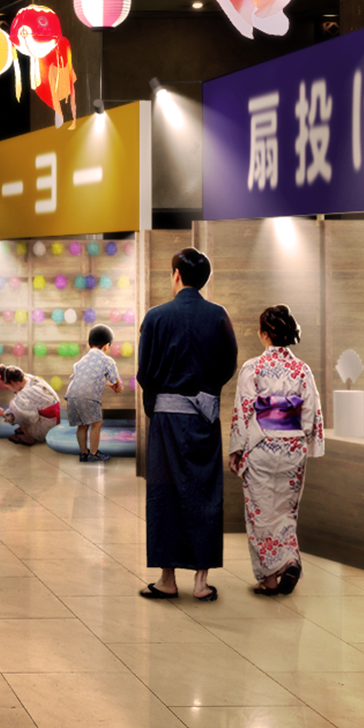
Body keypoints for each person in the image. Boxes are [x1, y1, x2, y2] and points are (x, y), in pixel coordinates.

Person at [137, 247, 238, 602]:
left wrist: (157, 406)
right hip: (203, 417)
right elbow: (228, 365)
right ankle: (201, 581)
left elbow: (145, 372)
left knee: (164, 492)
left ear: (176, 274)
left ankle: (167, 579)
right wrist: (206, 393)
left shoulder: (156, 316)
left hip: (166, 417)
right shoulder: (218, 316)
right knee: (204, 492)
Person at [229, 304, 323, 596]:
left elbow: (245, 411)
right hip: (292, 446)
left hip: (260, 445)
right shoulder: (302, 369)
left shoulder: (253, 367)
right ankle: (289, 560)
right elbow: (310, 412)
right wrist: (302, 438)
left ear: (265, 334)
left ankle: (270, 578)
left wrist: (236, 450)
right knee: (285, 510)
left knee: (260, 513)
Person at [66, 323, 125, 462]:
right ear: (106, 346)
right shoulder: (107, 360)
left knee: (82, 425)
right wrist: (117, 385)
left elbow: (88, 378)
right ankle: (93, 453)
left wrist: (108, 385)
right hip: (88, 397)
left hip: (72, 395)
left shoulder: (82, 361)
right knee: (96, 423)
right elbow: (115, 377)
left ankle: (83, 453)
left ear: (88, 344)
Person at [0, 364, 61, 445]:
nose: (10, 389)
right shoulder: (31, 378)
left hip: (46, 429)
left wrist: (4, 414)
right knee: (23, 407)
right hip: (55, 419)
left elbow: (13, 416)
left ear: (12, 382)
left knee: (19, 412)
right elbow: (9, 373)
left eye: (8, 387)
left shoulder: (24, 394)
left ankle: (28, 437)